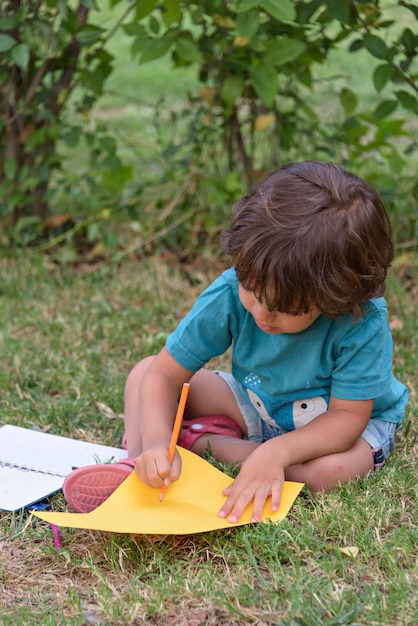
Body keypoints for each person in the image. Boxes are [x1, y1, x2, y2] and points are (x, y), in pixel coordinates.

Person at [63, 160, 408, 522]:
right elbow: (165, 375)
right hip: (258, 404)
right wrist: (153, 442)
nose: (260, 313)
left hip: (339, 424)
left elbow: (346, 419)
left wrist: (274, 454)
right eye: (252, 290)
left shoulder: (360, 321)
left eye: (283, 308)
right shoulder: (231, 292)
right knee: (143, 375)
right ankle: (141, 464)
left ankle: (207, 446)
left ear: (336, 295)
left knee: (330, 473)